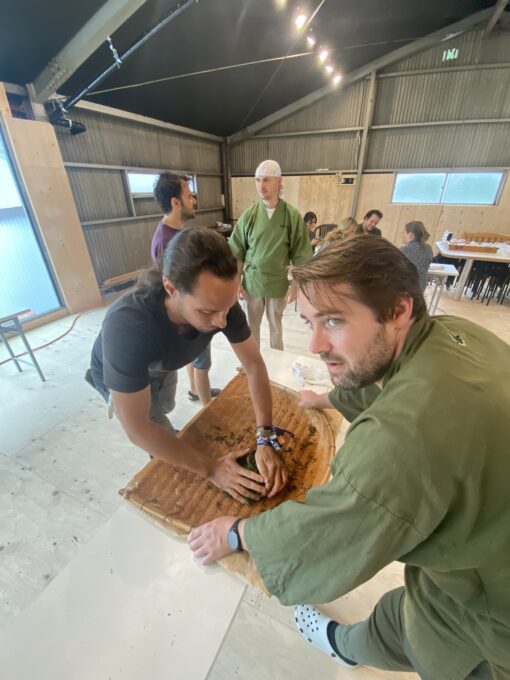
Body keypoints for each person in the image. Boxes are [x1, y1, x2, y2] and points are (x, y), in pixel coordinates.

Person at [188, 235, 510, 679]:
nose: (315, 344)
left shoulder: (403, 437)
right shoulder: (455, 332)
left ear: (398, 310)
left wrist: (237, 532)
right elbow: (389, 381)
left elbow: (327, 529)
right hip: (485, 542)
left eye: (334, 321)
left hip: (493, 613)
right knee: (399, 615)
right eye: (310, 322)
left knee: (436, 645)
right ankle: (343, 645)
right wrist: (325, 398)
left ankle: (341, 646)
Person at [86, 227, 287, 502]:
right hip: (122, 372)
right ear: (171, 289)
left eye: (227, 307)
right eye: (207, 311)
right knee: (158, 433)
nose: (222, 322)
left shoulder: (219, 304)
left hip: (163, 362)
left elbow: (253, 365)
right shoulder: (127, 327)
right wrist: (212, 469)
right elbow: (138, 429)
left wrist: (264, 436)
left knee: (165, 406)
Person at [151, 172, 220, 406]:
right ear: (175, 202)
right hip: (189, 315)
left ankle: (194, 390)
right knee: (203, 365)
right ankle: (207, 408)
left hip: (189, 313)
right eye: (190, 196)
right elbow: (177, 290)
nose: (194, 201)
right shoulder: (167, 242)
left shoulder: (175, 234)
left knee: (195, 359)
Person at [229, 160, 312, 350]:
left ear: (278, 181)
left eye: (266, 180)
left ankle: (278, 361)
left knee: (276, 326)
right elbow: (237, 250)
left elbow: (301, 254)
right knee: (251, 327)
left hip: (277, 282)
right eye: (257, 180)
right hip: (253, 281)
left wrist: (295, 286)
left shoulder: (291, 216)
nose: (261, 185)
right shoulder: (249, 215)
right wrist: (237, 280)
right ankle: (253, 361)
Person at [400, 220, 433, 291]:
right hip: (421, 288)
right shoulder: (429, 248)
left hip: (406, 288)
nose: (402, 235)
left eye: (404, 232)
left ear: (410, 235)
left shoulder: (404, 250)